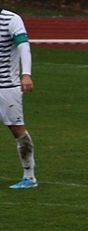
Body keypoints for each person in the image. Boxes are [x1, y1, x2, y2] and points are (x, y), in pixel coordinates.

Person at [2, 9, 36, 189]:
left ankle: (29, 177)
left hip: (7, 87)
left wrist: (26, 74)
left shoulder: (11, 19)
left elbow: (24, 46)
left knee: (17, 130)